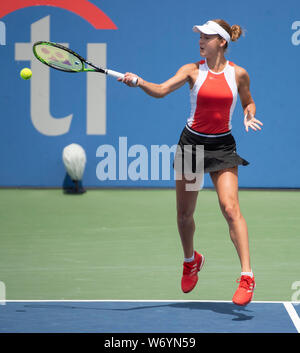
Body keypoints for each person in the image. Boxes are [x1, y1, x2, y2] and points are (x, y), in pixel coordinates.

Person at [120, 19, 263, 306]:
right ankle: (190, 260)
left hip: (222, 145)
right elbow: (160, 90)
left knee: (230, 208)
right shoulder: (191, 71)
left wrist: (248, 113)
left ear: (222, 42)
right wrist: (139, 82)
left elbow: (248, 101)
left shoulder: (239, 75)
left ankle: (247, 275)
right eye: (200, 36)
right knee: (185, 215)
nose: (201, 40)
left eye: (207, 37)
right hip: (192, 145)